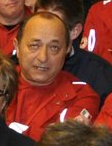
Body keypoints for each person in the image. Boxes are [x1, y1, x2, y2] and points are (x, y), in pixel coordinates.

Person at [7, 9, 101, 138]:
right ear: (17, 47)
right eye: (34, 46)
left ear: (67, 50)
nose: (43, 57)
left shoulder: (82, 95)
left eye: (54, 48)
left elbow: (61, 145)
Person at [37, 0, 112, 101]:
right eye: (37, 23)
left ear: (74, 31)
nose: (42, 32)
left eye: (54, 26)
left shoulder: (102, 76)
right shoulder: (16, 65)